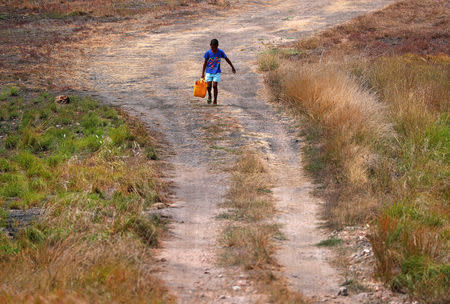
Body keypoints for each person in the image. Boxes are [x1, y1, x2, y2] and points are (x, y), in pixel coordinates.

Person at [201, 39, 236, 105]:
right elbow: (205, 63)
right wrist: (203, 73)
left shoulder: (220, 52)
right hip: (208, 72)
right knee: (208, 86)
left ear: (218, 46)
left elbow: (227, 59)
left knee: (214, 86)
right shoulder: (208, 53)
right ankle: (209, 96)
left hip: (217, 72)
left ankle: (215, 100)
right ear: (210, 45)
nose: (214, 49)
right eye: (212, 47)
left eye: (215, 47)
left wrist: (232, 67)